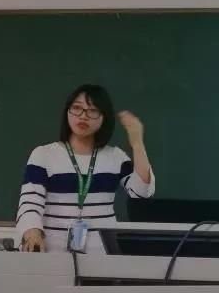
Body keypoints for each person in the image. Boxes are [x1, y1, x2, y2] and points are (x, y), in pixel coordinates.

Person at [16, 84, 154, 253]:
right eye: (77, 108)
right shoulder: (44, 154)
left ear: (104, 117)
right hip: (52, 253)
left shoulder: (115, 157)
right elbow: (30, 203)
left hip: (103, 255)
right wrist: (32, 232)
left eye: (93, 111)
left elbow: (142, 193)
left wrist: (137, 142)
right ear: (67, 112)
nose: (83, 116)